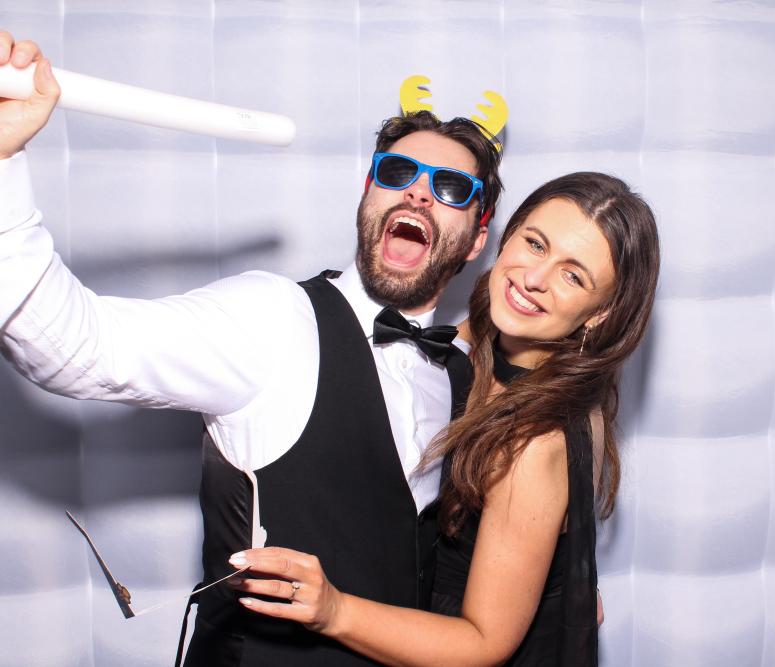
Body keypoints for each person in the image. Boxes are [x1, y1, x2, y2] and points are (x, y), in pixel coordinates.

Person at [0, 33, 502, 666]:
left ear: (477, 237)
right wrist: (3, 158)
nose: (419, 194)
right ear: (367, 192)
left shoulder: (463, 376)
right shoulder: (272, 319)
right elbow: (76, 345)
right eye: (398, 173)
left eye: (452, 187)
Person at [229, 171, 661, 666]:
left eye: (573, 276)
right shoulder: (495, 333)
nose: (534, 279)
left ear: (601, 313)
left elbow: (484, 643)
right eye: (535, 243)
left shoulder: (532, 443)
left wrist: (333, 610)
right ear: (508, 236)